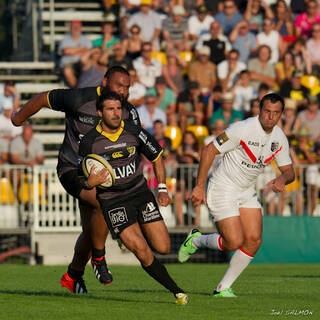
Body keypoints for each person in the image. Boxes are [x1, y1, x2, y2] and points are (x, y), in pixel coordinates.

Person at [11, 66, 141, 294]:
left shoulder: (128, 112)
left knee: (91, 232)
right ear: (105, 82)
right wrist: (18, 118)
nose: (123, 91)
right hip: (71, 170)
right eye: (119, 85)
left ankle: (73, 276)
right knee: (103, 201)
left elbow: (132, 148)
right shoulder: (80, 99)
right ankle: (99, 260)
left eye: (127, 87)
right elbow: (43, 98)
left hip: (101, 174)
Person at [178, 93, 295, 297]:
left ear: (281, 115)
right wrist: (199, 186)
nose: (271, 117)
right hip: (223, 187)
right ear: (259, 109)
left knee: (254, 240)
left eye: (276, 113)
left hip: (246, 191)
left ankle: (223, 288)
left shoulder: (279, 138)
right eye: (267, 111)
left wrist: (282, 179)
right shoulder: (241, 129)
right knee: (233, 242)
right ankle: (195, 240)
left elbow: (290, 171)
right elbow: (208, 150)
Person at [79, 90, 188, 305]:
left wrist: (163, 189)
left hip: (140, 194)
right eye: (110, 109)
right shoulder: (89, 141)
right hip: (113, 202)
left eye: (119, 108)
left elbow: (157, 157)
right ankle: (177, 291)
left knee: (164, 247)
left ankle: (128, 232)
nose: (116, 113)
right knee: (142, 250)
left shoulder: (134, 131)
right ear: (100, 112)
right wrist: (88, 183)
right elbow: (80, 176)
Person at [58, 20, 92, 88]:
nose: (76, 28)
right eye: (74, 27)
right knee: (67, 71)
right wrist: (81, 49)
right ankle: (77, 90)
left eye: (78, 27)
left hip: (82, 63)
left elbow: (89, 52)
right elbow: (66, 51)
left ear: (80, 28)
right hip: (68, 63)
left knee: (91, 67)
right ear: (70, 28)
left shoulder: (86, 39)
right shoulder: (65, 39)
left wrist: (72, 51)